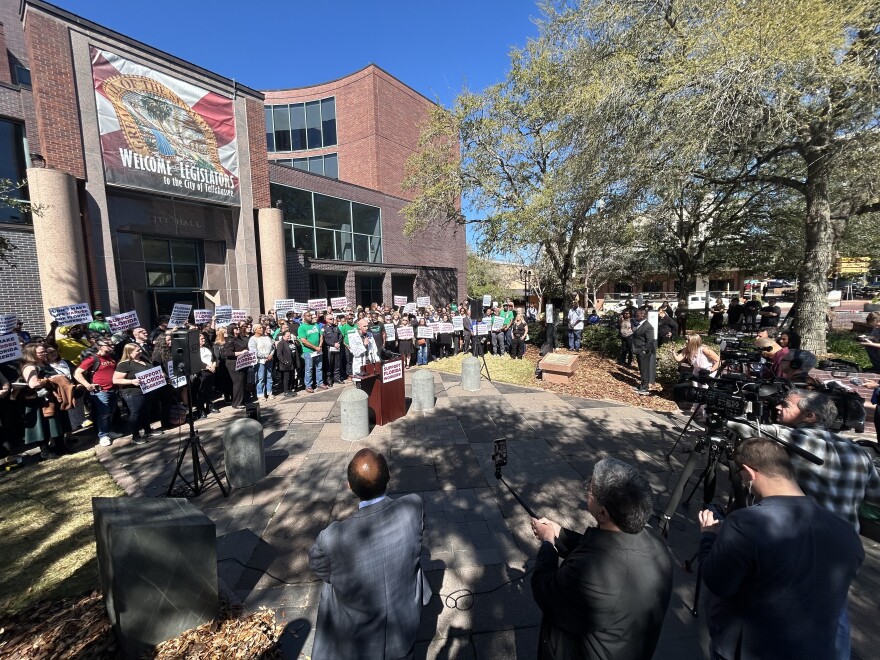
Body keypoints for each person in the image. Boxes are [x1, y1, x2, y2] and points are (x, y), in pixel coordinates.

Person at [728, 389, 880, 658]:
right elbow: (875, 496)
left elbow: (744, 427)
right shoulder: (859, 453)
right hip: (844, 547)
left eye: (785, 405)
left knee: (783, 607)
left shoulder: (794, 439)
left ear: (809, 416)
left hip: (800, 544)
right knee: (835, 608)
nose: (777, 407)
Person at [698, 437, 864, 660]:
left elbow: (717, 583)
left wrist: (709, 537)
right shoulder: (846, 531)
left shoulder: (745, 523)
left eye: (740, 475)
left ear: (749, 472)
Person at [530, 458, 672, 659]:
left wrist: (548, 543)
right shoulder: (654, 541)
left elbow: (545, 591)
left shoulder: (592, 577)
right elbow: (599, 549)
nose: (587, 489)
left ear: (603, 513)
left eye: (590, 490)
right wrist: (559, 532)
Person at [308, 448, 431, 659]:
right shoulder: (413, 507)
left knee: (329, 588)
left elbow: (319, 567)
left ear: (350, 487)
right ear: (389, 476)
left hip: (359, 641)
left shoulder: (332, 538)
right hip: (405, 626)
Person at [21, 343, 73, 459]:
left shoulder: (45, 363)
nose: (45, 353)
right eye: (41, 352)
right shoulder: (30, 367)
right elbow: (33, 384)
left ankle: (60, 447)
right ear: (32, 354)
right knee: (43, 426)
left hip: (53, 398)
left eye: (44, 351)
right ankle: (45, 451)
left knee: (57, 423)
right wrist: (49, 380)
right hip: (40, 402)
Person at [74, 338, 119, 446]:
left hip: (114, 389)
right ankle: (103, 436)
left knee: (110, 412)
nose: (112, 346)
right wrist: (87, 385)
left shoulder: (111, 357)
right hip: (101, 391)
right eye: (108, 345)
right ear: (100, 347)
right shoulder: (92, 359)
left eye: (112, 344)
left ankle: (107, 431)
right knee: (103, 414)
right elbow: (77, 373)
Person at [112, 342, 157, 444]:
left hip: (147, 390)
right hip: (133, 392)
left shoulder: (143, 360)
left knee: (145, 411)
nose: (140, 351)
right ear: (129, 352)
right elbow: (115, 380)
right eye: (137, 350)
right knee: (135, 413)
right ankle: (135, 436)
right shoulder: (124, 364)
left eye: (140, 349)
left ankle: (148, 430)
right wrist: (131, 381)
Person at [220, 325, 249, 409]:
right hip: (233, 363)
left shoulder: (239, 338)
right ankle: (236, 403)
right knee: (238, 382)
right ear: (231, 330)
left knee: (242, 382)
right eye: (235, 328)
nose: (237, 329)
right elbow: (227, 353)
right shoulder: (229, 340)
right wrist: (241, 353)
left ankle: (242, 400)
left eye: (238, 328)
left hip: (242, 362)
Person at [298, 311, 326, 393]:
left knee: (319, 367)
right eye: (308, 316)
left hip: (318, 350)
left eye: (311, 315)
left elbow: (321, 336)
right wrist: (315, 347)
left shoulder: (316, 325)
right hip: (308, 351)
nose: (310, 317)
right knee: (309, 369)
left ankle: (320, 383)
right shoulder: (302, 327)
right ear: (304, 317)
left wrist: (320, 345)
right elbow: (304, 340)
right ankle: (308, 385)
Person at [631, 309, 656, 395]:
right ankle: (642, 385)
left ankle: (645, 388)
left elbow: (650, 341)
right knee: (641, 369)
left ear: (642, 315)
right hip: (638, 350)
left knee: (644, 369)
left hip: (644, 352)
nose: (635, 316)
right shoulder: (639, 324)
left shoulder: (648, 327)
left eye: (637, 315)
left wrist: (643, 350)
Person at [195, 333, 219, 417]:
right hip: (202, 372)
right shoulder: (195, 350)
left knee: (210, 390)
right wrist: (207, 367)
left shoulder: (207, 348)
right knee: (201, 391)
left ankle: (210, 407)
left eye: (204, 339)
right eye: (201, 339)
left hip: (211, 371)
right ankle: (201, 409)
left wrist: (214, 365)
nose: (203, 340)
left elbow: (214, 358)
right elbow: (197, 361)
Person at [248, 325, 274, 400]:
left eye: (262, 327)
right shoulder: (253, 339)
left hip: (269, 359)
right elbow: (254, 351)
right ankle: (260, 394)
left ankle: (269, 392)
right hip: (260, 361)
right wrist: (265, 356)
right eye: (259, 328)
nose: (261, 329)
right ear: (255, 330)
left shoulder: (267, 337)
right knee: (260, 378)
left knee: (269, 377)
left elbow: (272, 347)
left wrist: (271, 355)